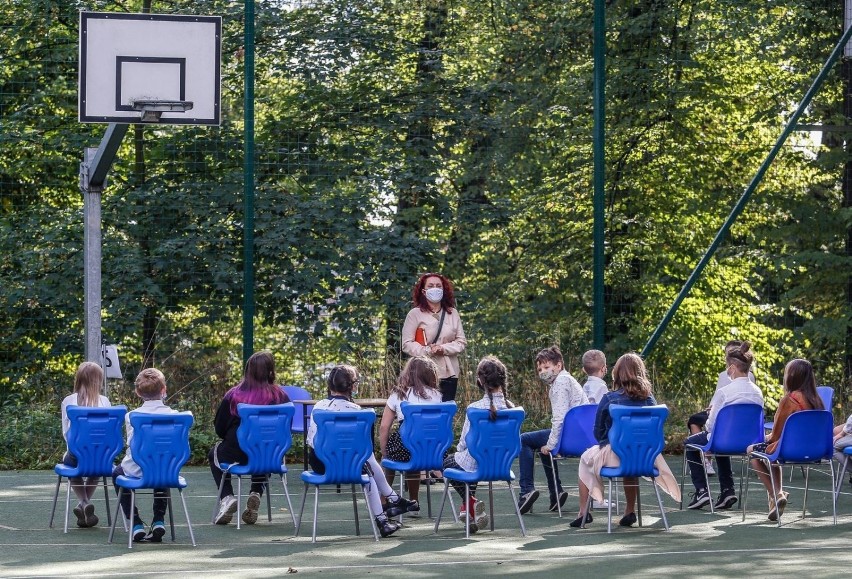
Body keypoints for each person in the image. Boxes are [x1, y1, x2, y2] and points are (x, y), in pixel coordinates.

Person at [307, 364, 417, 538]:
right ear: (353, 386)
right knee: (367, 464)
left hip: (320, 462)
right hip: (346, 464)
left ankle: (393, 500)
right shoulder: (357, 412)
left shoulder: (319, 406)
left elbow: (312, 441)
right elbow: (362, 449)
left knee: (365, 461)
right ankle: (384, 517)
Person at [572, 353, 680, 529]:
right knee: (630, 464)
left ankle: (583, 512)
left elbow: (598, 431)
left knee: (585, 458)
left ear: (617, 373)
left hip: (616, 453)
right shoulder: (650, 399)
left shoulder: (609, 398)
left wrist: (605, 444)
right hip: (646, 456)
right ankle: (630, 511)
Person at [210, 351, 290, 526]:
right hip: (267, 453)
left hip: (236, 450)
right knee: (267, 447)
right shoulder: (281, 396)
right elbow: (285, 429)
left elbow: (220, 427)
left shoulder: (234, 395)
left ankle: (227, 497)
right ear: (271, 371)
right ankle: (255, 492)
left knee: (214, 453)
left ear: (247, 370)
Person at [112, 367, 191, 543]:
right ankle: (159, 519)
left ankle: (135, 523)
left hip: (136, 470)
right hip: (165, 472)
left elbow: (131, 444)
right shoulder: (177, 416)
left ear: (137, 392)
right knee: (162, 466)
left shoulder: (132, 416)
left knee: (117, 472)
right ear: (164, 390)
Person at [685, 341, 763, 510]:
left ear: (733, 367)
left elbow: (711, 425)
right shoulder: (758, 392)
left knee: (691, 444)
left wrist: (709, 424)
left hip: (724, 441)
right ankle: (728, 490)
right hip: (749, 443)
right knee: (721, 444)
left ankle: (702, 491)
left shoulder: (724, 392)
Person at [443, 356, 515, 534]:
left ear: (480, 380)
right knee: (465, 465)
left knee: (448, 462)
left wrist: (459, 452)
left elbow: (464, 443)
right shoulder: (513, 409)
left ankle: (471, 503)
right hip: (501, 465)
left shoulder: (475, 409)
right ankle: (470, 509)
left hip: (476, 464)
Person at [747, 358, 823, 521]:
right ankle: (777, 494)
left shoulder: (789, 400)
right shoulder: (817, 400)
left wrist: (766, 438)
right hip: (816, 450)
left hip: (791, 449)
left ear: (792, 377)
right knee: (773, 455)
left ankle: (776, 494)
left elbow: (775, 435)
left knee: (753, 451)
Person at [517, 346, 588, 515]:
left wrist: (551, 444)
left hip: (571, 437)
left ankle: (526, 490)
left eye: (547, 367)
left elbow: (560, 418)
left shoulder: (561, 382)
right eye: (540, 369)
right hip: (580, 434)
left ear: (559, 365)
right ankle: (556, 493)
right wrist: (548, 444)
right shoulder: (565, 380)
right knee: (543, 448)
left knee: (524, 440)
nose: (542, 372)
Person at [379, 356, 443, 509]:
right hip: (431, 450)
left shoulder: (399, 394)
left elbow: (384, 427)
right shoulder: (437, 396)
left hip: (405, 446)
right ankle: (414, 500)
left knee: (389, 459)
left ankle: (384, 499)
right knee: (414, 458)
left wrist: (384, 451)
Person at [60, 361, 112, 528]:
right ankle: (84, 503)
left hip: (76, 455)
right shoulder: (105, 402)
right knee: (96, 467)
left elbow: (65, 432)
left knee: (69, 462)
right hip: (101, 457)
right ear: (98, 381)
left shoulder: (69, 401)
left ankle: (83, 502)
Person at [401, 272, 467, 402]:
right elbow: (406, 344)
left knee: (446, 410)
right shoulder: (414, 314)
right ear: (423, 291)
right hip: (423, 372)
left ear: (444, 289)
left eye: (438, 286)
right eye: (430, 286)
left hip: (449, 372)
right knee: (425, 410)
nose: (435, 288)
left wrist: (443, 348)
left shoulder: (452, 313)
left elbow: (461, 342)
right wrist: (427, 351)